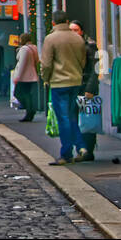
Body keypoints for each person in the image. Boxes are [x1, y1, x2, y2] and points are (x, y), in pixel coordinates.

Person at [41, 9, 88, 165]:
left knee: (63, 119)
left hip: (59, 82)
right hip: (75, 81)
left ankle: (66, 153)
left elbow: (46, 64)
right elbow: (83, 61)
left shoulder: (51, 39)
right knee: (72, 116)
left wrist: (45, 78)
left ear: (53, 22)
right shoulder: (77, 39)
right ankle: (81, 146)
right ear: (67, 22)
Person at [70, 22, 100, 162]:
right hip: (72, 88)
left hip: (85, 89)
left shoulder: (90, 47)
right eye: (71, 30)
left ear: (81, 31)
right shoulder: (68, 46)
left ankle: (88, 151)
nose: (73, 32)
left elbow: (96, 69)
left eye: (76, 30)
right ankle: (80, 150)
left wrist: (90, 88)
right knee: (75, 120)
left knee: (87, 120)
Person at [12, 31, 41, 122]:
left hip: (24, 77)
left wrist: (17, 77)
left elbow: (21, 64)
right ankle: (30, 111)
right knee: (28, 94)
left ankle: (30, 110)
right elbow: (37, 60)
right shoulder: (34, 48)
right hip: (32, 75)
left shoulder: (24, 49)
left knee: (18, 93)